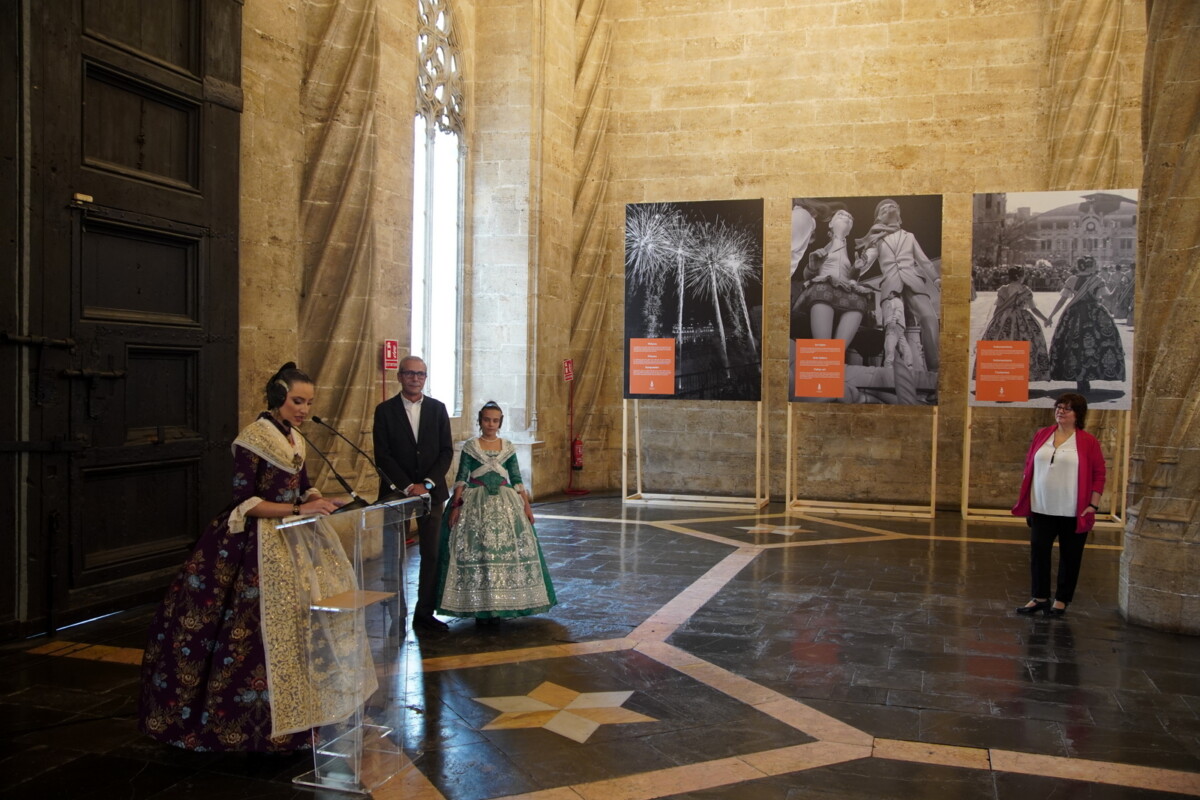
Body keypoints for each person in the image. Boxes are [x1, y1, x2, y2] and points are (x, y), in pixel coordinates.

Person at [139, 363, 350, 752]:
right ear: (276, 398)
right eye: (297, 401)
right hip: (252, 545)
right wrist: (296, 511)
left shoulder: (295, 439)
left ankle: (296, 718)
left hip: (291, 539)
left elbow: (302, 485)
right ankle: (240, 726)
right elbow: (246, 500)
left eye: (308, 402)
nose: (303, 409)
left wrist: (317, 499)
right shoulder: (253, 438)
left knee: (295, 627)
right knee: (246, 635)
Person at [436, 401, 556, 624]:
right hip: (475, 503)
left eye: (495, 420)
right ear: (480, 420)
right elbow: (461, 477)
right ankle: (480, 604)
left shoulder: (508, 447)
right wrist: (455, 507)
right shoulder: (471, 446)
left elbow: (517, 479)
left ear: (500, 422)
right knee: (479, 552)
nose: (490, 424)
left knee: (506, 552)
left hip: (506, 503)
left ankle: (504, 602)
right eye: (486, 419)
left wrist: (527, 508)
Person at [373, 355, 453, 632]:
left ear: (425, 378)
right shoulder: (384, 411)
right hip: (397, 493)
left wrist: (427, 484)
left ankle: (424, 613)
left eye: (420, 374)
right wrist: (408, 486)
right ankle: (397, 612)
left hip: (432, 494)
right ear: (400, 376)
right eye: (409, 373)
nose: (415, 378)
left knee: (431, 553)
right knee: (394, 554)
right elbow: (382, 455)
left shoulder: (438, 409)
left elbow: (446, 451)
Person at [1011, 393, 1106, 617]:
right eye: (1059, 407)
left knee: (1070, 556)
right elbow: (1029, 465)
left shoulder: (1087, 441)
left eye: (1067, 409)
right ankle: (1040, 598)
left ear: (1078, 415)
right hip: (1042, 507)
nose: (1061, 411)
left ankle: (1062, 600)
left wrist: (1093, 506)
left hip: (1073, 509)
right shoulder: (1042, 434)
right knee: (1039, 553)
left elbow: (1099, 474)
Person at [854, 199, 941, 371]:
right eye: (884, 208)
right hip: (891, 286)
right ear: (878, 218)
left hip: (913, 281)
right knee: (892, 329)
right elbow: (866, 262)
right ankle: (892, 370)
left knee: (929, 318)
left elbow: (924, 261)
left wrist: (936, 279)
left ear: (899, 215)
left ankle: (935, 367)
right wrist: (859, 266)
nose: (889, 208)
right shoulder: (877, 241)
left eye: (893, 206)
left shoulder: (909, 236)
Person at [792, 208, 873, 351]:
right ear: (830, 224)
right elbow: (808, 276)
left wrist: (856, 267)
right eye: (841, 214)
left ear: (849, 230)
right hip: (825, 289)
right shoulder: (821, 246)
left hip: (845, 291)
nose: (846, 217)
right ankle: (823, 350)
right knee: (822, 290)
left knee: (859, 299)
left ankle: (836, 354)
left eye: (849, 216)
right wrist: (812, 267)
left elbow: (850, 276)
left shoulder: (850, 250)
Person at [1045, 256, 1125, 395]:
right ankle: (1089, 374)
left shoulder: (1071, 280)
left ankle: (1079, 378)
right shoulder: (1098, 280)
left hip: (1073, 315)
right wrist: (1118, 288)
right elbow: (1109, 298)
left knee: (1074, 345)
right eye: (1094, 264)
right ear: (1090, 266)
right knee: (1096, 344)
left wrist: (1051, 316)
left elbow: (1062, 300)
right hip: (1095, 314)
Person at [977, 266, 1051, 381]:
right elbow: (1034, 309)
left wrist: (994, 324)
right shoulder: (1026, 290)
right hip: (1023, 318)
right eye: (1023, 275)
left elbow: (998, 309)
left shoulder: (1003, 289)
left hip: (1003, 318)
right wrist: (1045, 319)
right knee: (1029, 343)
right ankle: (1024, 374)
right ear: (1019, 276)